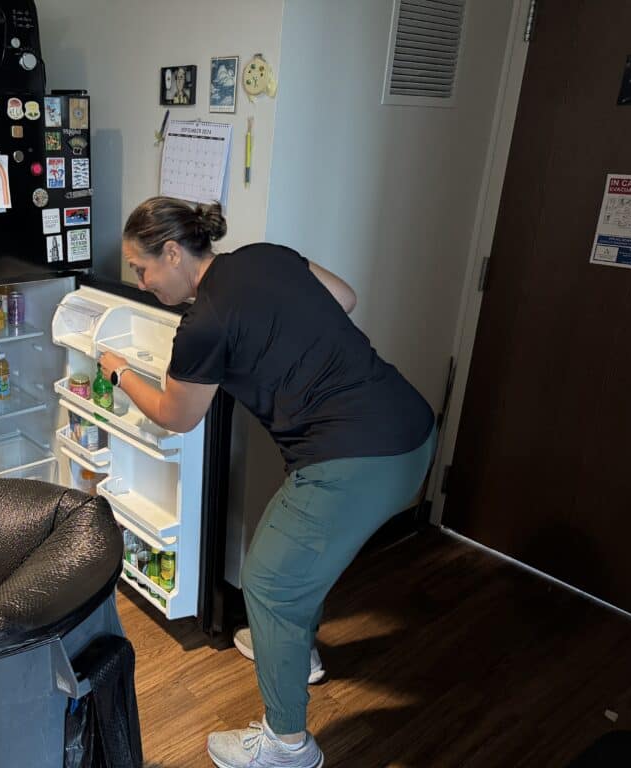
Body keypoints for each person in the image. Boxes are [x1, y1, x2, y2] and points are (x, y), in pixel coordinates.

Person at [99, 197, 435, 768]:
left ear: (174, 253)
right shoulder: (264, 256)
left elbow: (177, 415)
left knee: (271, 584)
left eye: (141, 267)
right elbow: (345, 298)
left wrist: (120, 371)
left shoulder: (202, 324)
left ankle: (287, 745)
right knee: (298, 561)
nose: (143, 280)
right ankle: (296, 653)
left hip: (354, 461)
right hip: (411, 432)